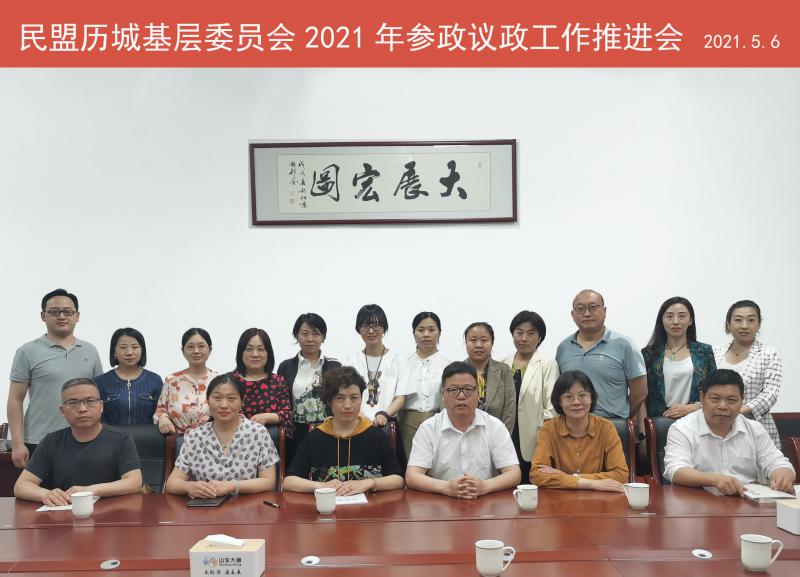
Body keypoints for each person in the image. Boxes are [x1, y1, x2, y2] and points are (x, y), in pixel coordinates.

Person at [8, 288, 103, 469]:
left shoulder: (90, 351)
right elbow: (15, 399)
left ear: (77, 316)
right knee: (37, 488)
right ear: (43, 316)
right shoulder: (27, 351)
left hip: (85, 438)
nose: (61, 316)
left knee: (84, 487)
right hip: (39, 439)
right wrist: (18, 443)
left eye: (68, 312)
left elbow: (97, 396)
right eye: (54, 312)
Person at [14, 378, 142, 505]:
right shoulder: (51, 442)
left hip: (111, 511)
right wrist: (45, 494)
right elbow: (21, 486)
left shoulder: (121, 438)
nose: (82, 409)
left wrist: (91, 490)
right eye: (73, 402)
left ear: (101, 406)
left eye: (90, 401)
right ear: (62, 411)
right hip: (66, 512)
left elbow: (134, 482)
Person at [664, 369, 795, 495]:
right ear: (702, 398)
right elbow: (676, 470)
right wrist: (714, 480)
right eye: (715, 399)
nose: (722, 406)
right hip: (698, 501)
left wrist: (783, 474)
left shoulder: (754, 429)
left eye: (731, 400)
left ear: (742, 400)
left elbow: (777, 462)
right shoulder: (682, 429)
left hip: (746, 501)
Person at [405, 361, 521, 499]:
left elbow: (514, 473)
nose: (461, 396)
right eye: (453, 390)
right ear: (443, 395)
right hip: (441, 501)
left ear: (478, 393)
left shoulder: (495, 426)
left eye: (468, 389)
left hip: (485, 501)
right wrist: (445, 487)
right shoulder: (428, 428)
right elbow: (412, 476)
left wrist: (485, 486)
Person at [282, 366, 404, 494]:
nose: (347, 405)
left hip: (370, 505)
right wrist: (321, 485)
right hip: (328, 505)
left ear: (361, 399)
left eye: (354, 398)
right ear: (329, 401)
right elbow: (289, 482)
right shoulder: (314, 439)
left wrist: (370, 483)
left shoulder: (376, 437)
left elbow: (398, 479)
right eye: (340, 398)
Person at [165, 373, 279, 497]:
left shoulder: (258, 433)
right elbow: (172, 483)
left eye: (231, 398)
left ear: (242, 402)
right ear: (208, 401)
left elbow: (269, 481)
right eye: (217, 398)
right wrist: (189, 487)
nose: (224, 405)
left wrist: (232, 486)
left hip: (247, 504)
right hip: (205, 505)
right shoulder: (195, 436)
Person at [530, 371, 629, 491]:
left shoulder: (606, 428)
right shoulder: (549, 429)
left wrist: (570, 478)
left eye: (582, 395)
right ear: (559, 401)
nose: (576, 402)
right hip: (559, 498)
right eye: (568, 397)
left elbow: (621, 475)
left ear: (591, 398)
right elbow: (536, 475)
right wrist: (589, 483)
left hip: (599, 498)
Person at [555, 289, 647, 419]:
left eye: (593, 307)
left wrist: (622, 416)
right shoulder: (563, 348)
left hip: (613, 423)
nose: (587, 313)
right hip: (573, 424)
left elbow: (640, 393)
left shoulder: (624, 344)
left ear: (604, 311)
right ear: (573, 314)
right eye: (580, 309)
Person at [713, 300, 782, 448]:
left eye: (751, 320)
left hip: (756, 427)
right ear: (728, 324)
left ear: (759, 324)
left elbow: (770, 393)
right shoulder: (714, 352)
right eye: (738, 320)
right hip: (717, 426)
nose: (744, 325)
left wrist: (738, 411)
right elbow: (707, 389)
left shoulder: (769, 353)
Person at [501, 311, 558, 483]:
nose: (524, 338)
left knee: (530, 484)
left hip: (533, 437)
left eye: (531, 333)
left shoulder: (547, 364)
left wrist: (540, 431)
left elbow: (553, 408)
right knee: (505, 484)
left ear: (540, 337)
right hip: (505, 434)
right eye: (519, 332)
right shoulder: (502, 363)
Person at [277, 313, 341, 464]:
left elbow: (339, 398)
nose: (310, 339)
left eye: (316, 333)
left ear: (323, 337)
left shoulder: (334, 366)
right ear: (296, 335)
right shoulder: (286, 367)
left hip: (327, 431)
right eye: (305, 333)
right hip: (295, 433)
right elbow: (282, 401)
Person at [642, 297, 716, 421]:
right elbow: (642, 396)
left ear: (690, 320)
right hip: (658, 422)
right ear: (662, 320)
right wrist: (643, 430)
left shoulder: (704, 352)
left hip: (694, 419)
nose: (675, 322)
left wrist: (693, 407)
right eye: (669, 316)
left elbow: (715, 391)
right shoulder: (649, 354)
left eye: (682, 316)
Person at [397, 312, 451, 461]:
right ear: (413, 333)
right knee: (408, 465)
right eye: (421, 330)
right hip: (406, 423)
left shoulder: (448, 365)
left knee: (436, 464)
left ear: (439, 332)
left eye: (431, 330)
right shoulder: (402, 363)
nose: (426, 334)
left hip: (438, 422)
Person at [345, 304, 407, 427]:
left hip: (387, 423)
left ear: (384, 328)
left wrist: (384, 414)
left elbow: (401, 397)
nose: (371, 331)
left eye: (376, 326)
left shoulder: (399, 360)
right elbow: (346, 395)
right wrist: (362, 417)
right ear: (358, 329)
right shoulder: (350, 361)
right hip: (357, 424)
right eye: (365, 326)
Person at [154, 328, 218, 439]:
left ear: (210, 349)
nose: (196, 351)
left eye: (201, 346)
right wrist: (162, 418)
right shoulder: (172, 380)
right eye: (190, 347)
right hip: (181, 440)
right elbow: (161, 410)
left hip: (213, 438)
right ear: (183, 350)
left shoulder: (219, 380)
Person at [231, 328, 293, 439]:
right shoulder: (229, 381)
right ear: (241, 352)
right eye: (249, 349)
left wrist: (267, 417)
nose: (255, 354)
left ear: (268, 353)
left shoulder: (278, 381)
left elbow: (287, 415)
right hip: (232, 440)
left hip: (267, 442)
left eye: (260, 349)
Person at [95, 328, 164, 426]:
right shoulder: (101, 382)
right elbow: (98, 417)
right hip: (111, 435)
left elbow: (162, 412)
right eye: (123, 347)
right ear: (114, 351)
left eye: (135, 347)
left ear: (142, 350)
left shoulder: (154, 380)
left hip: (148, 435)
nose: (129, 352)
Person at [463, 322, 516, 433]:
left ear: (492, 343)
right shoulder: (455, 371)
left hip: (496, 436)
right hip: (461, 435)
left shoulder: (503, 371)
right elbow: (447, 408)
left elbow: (509, 411)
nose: (478, 345)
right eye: (473, 340)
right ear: (466, 343)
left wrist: (501, 438)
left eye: (484, 340)